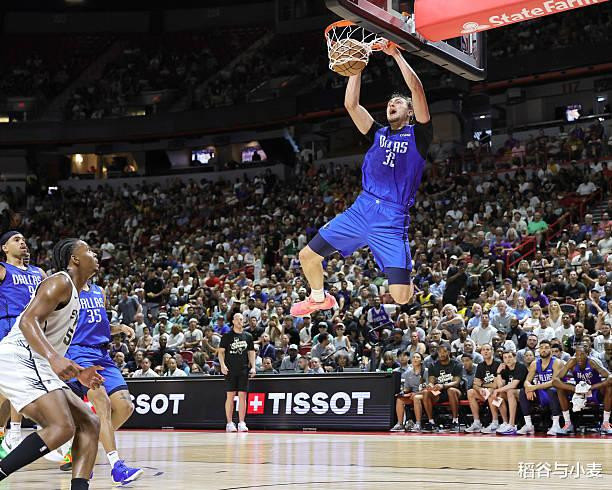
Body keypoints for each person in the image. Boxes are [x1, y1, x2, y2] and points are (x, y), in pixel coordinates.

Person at [291, 41, 433, 316]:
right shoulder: (378, 133)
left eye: (398, 102)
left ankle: (406, 272)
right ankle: (319, 298)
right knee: (307, 256)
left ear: (410, 112)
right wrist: (356, 66)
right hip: (361, 209)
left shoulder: (419, 135)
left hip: (391, 220)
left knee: (401, 297)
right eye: (390, 103)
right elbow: (351, 104)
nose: (391, 104)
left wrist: (396, 54)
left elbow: (417, 89)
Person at [0, 238, 103, 490]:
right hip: (20, 356)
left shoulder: (76, 294)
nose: (95, 254)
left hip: (37, 360)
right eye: (89, 251)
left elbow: (53, 340)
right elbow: (28, 321)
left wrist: (77, 371)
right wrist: (53, 358)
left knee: (90, 421)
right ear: (75, 259)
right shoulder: (60, 282)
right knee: (61, 427)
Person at [62, 280, 142, 484]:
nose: (96, 263)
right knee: (102, 404)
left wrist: (120, 328)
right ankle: (117, 467)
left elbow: (101, 326)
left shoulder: (99, 291)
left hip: (102, 354)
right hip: (79, 353)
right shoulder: (66, 288)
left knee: (125, 406)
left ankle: (84, 452)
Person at [0, 231, 46, 456]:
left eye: (24, 240)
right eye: (16, 240)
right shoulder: (3, 269)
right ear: (4, 248)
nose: (22, 243)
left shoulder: (39, 273)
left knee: (16, 385)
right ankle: (12, 433)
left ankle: (13, 432)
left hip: (36, 328)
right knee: (11, 384)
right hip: (9, 327)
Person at [552, 345, 612, 435]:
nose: (579, 357)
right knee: (559, 388)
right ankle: (568, 423)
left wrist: (590, 387)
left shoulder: (592, 362)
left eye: (582, 354)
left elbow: (610, 377)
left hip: (593, 392)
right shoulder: (572, 362)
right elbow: (555, 381)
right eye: (577, 354)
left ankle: (605, 423)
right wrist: (575, 388)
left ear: (587, 354)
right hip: (578, 392)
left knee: (610, 387)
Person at [218, 312, 256, 433]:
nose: (240, 321)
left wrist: (253, 366)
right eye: (238, 319)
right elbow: (221, 352)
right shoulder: (227, 336)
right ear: (233, 321)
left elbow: (251, 352)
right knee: (230, 396)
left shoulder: (248, 336)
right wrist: (222, 365)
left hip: (243, 369)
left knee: (242, 396)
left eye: (241, 319)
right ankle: (229, 423)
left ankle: (241, 422)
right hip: (230, 370)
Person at [518, 340, 564, 435]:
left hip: (555, 392)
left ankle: (556, 425)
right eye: (541, 348)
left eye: (546, 348)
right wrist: (528, 388)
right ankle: (528, 425)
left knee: (552, 390)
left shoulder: (557, 362)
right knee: (522, 392)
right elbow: (527, 381)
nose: (543, 350)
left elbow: (554, 382)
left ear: (551, 350)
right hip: (541, 392)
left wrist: (534, 387)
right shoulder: (534, 363)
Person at [421, 343, 462, 432]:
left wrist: (443, 386)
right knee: (426, 392)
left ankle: (455, 421)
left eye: (444, 352)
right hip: (439, 393)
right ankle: (431, 422)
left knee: (451, 390)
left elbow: (456, 382)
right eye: (439, 352)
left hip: (455, 391)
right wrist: (430, 386)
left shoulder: (456, 364)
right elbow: (431, 382)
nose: (441, 354)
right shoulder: (432, 365)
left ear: (449, 352)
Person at [464, 344, 502, 433]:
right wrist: (480, 389)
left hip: (499, 394)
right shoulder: (480, 365)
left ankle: (495, 423)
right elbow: (475, 384)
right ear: (481, 352)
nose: (485, 351)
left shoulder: (498, 363)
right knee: (470, 392)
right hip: (486, 393)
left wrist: (483, 386)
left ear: (492, 351)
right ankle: (477, 423)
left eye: (488, 349)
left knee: (490, 391)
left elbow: (496, 384)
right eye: (484, 350)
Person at [493, 350, 529, 435]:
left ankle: (512, 425)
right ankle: (505, 423)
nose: (507, 359)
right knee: (498, 395)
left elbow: (514, 385)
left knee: (510, 391)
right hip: (512, 395)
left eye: (510, 357)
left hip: (524, 393)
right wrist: (498, 373)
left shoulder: (520, 367)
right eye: (505, 358)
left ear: (514, 358)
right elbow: (500, 386)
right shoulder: (505, 369)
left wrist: (497, 390)